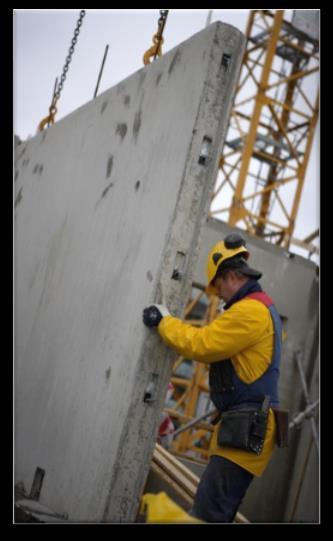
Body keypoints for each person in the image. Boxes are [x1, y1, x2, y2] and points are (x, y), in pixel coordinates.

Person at [143, 233, 283, 523]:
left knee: (207, 514)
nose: (217, 294)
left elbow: (202, 344)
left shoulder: (250, 312)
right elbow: (246, 370)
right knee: (215, 512)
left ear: (231, 276)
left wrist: (164, 321)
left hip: (246, 432)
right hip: (244, 428)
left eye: (218, 286)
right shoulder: (257, 307)